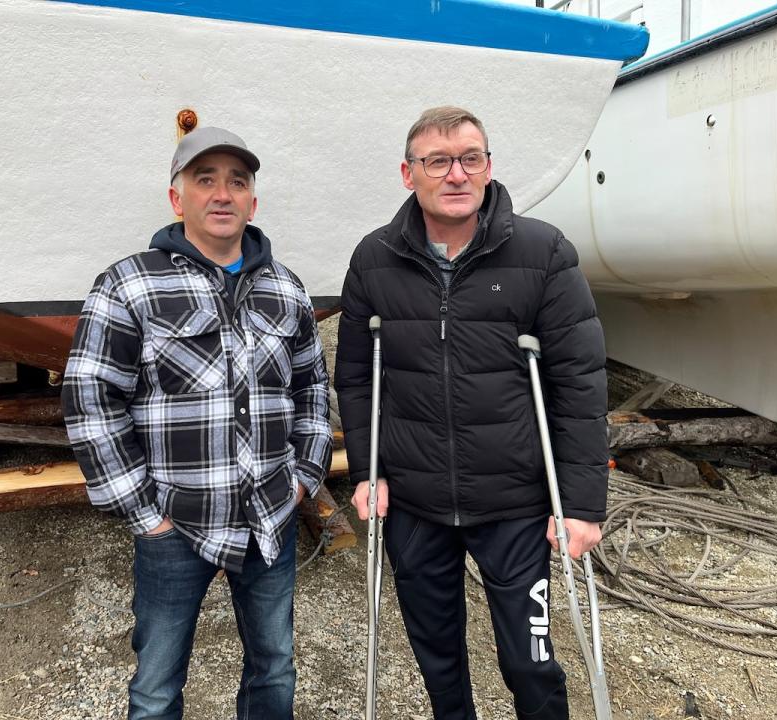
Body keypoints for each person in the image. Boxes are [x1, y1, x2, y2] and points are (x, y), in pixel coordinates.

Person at [334, 106, 608, 720]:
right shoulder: (374, 259)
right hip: (414, 500)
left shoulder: (544, 252)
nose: (456, 174)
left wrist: (584, 503)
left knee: (528, 660)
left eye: (470, 158)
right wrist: (366, 472)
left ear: (488, 168)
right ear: (409, 174)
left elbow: (579, 383)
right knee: (437, 654)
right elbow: (355, 376)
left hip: (513, 501)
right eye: (438, 161)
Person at [62, 126, 332, 720]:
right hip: (175, 526)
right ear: (176, 197)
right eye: (204, 179)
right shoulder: (129, 284)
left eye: (237, 182)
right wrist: (143, 512)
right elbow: (90, 399)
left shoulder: (285, 290)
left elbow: (312, 387)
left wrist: (303, 478)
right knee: (156, 686)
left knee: (275, 671)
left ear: (253, 202)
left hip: (270, 520)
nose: (222, 194)